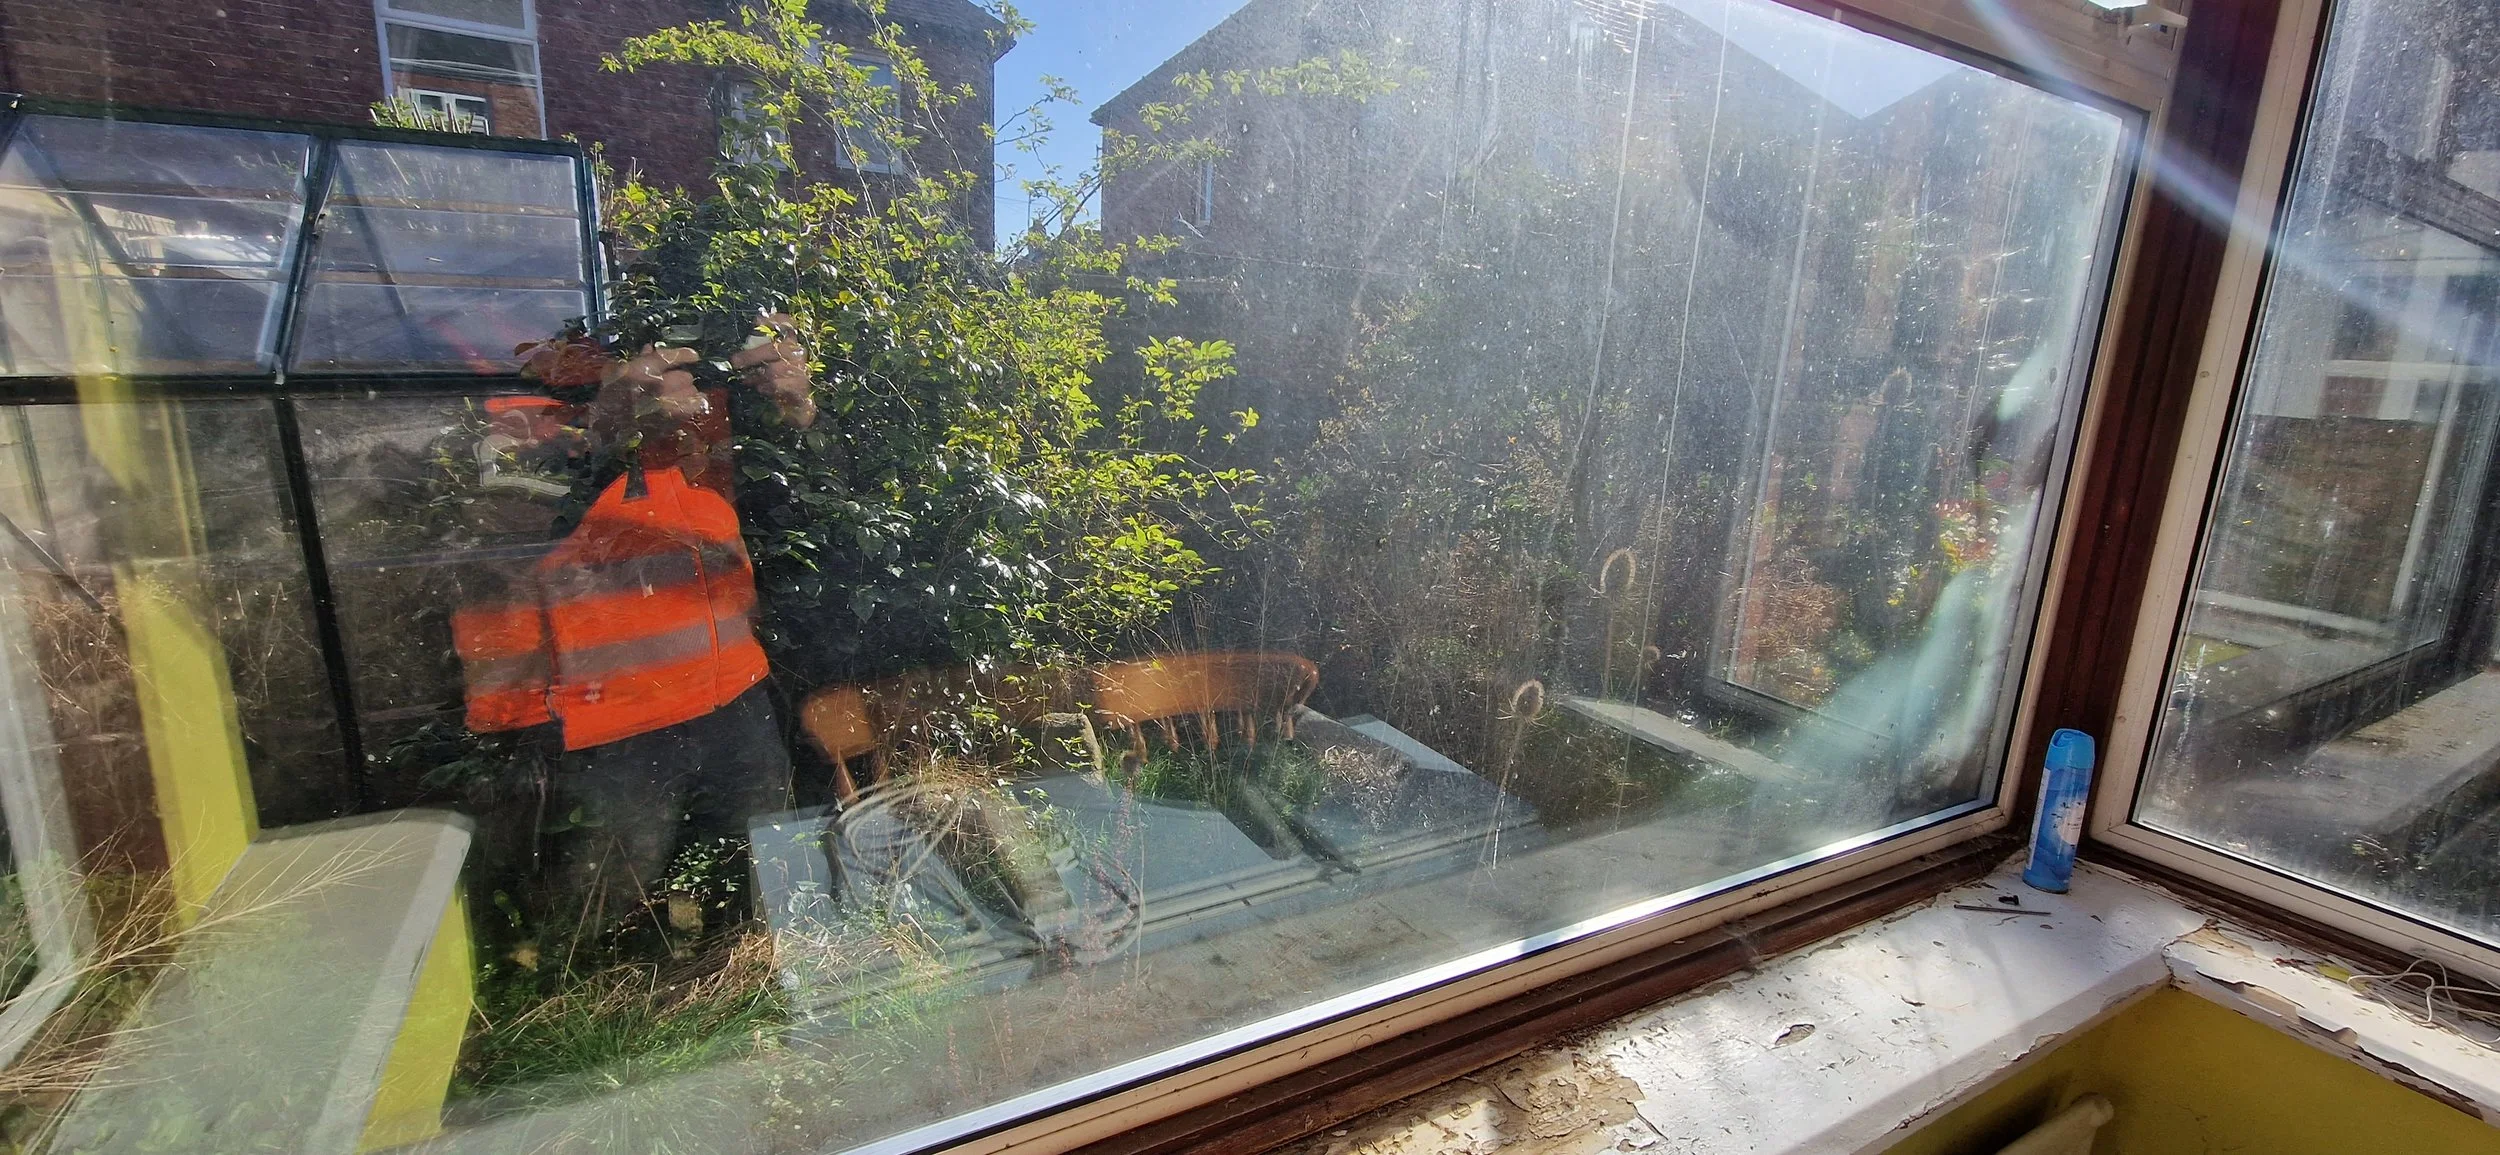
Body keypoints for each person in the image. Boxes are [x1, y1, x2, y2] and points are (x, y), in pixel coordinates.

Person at [450, 316, 818, 930]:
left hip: (734, 694)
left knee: (765, 880)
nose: (684, 374)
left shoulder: (702, 424)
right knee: (603, 901)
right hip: (610, 718)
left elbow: (803, 516)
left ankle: (750, 974)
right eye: (664, 356)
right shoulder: (533, 416)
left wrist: (796, 413)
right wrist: (608, 428)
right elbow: (511, 536)